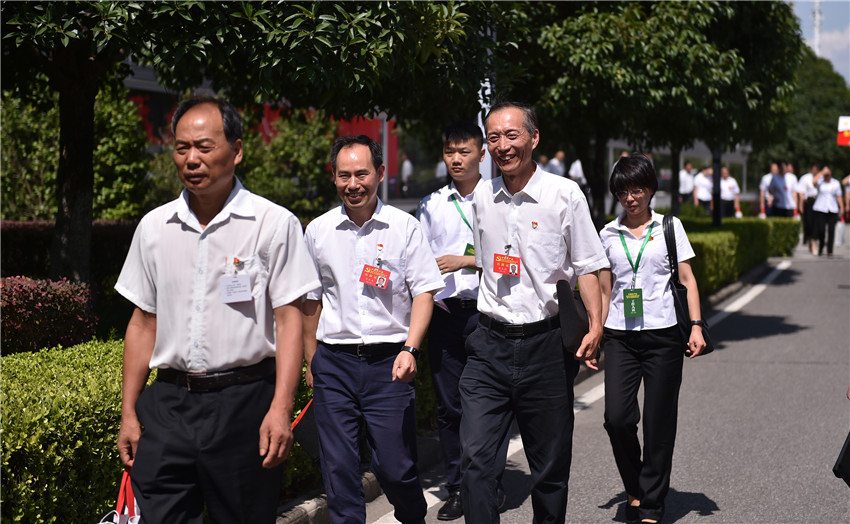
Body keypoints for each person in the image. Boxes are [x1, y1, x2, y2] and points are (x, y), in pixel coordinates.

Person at [114, 96, 321, 523]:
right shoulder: (154, 228)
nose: (192, 159)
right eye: (182, 148)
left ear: (237, 150)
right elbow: (143, 322)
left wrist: (281, 409)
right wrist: (129, 413)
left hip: (245, 405)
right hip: (170, 405)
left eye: (204, 147)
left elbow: (289, 321)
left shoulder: (272, 223)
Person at [460, 101, 609, 523]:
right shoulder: (482, 196)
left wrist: (596, 326)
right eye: (494, 138)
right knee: (475, 462)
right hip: (488, 345)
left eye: (512, 135)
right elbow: (486, 261)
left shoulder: (564, 194)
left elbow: (588, 266)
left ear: (534, 137)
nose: (503, 146)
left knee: (549, 470)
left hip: (546, 348)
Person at [302, 135, 444, 524]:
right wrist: (312, 360)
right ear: (333, 176)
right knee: (339, 472)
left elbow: (424, 293)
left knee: (396, 468)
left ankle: (412, 516)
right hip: (335, 363)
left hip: (389, 365)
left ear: (380, 173)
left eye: (361, 174)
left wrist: (411, 349)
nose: (353, 184)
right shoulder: (318, 231)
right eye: (344, 175)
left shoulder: (404, 227)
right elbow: (311, 301)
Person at [599, 154, 708, 524]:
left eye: (638, 190)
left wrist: (696, 325)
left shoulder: (669, 228)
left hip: (663, 335)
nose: (631, 198)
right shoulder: (607, 234)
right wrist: (596, 332)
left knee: (658, 423)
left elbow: (687, 280)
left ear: (650, 189)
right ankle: (635, 486)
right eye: (623, 192)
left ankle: (651, 505)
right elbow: (604, 289)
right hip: (620, 336)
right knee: (616, 418)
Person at [416, 121, 506, 520]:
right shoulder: (431, 204)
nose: (456, 159)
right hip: (445, 316)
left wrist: (466, 261)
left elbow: (510, 259)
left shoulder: (500, 199)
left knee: (489, 406)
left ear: (481, 155)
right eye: (450, 152)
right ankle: (456, 487)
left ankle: (490, 484)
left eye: (464, 151)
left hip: (488, 315)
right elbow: (417, 261)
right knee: (450, 407)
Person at [811, 166, 845, 258]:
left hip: (832, 209)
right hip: (820, 208)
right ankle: (821, 246)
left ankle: (830, 251)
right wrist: (822, 173)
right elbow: (813, 182)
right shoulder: (820, 182)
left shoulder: (836, 183)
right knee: (821, 230)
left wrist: (842, 207)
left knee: (831, 230)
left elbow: (839, 196)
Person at [796, 163, 822, 254]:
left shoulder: (822, 178)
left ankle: (815, 243)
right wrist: (800, 205)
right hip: (809, 202)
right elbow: (801, 193)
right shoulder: (805, 178)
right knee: (809, 224)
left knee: (817, 224)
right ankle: (810, 240)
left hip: (819, 201)